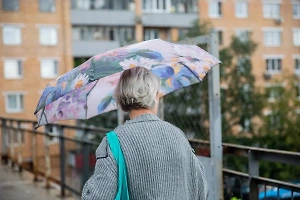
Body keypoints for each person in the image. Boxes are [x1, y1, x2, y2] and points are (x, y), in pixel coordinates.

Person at [82, 67, 208, 200]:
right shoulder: (178, 136)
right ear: (154, 96)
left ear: (121, 96)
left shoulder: (114, 142)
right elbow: (201, 190)